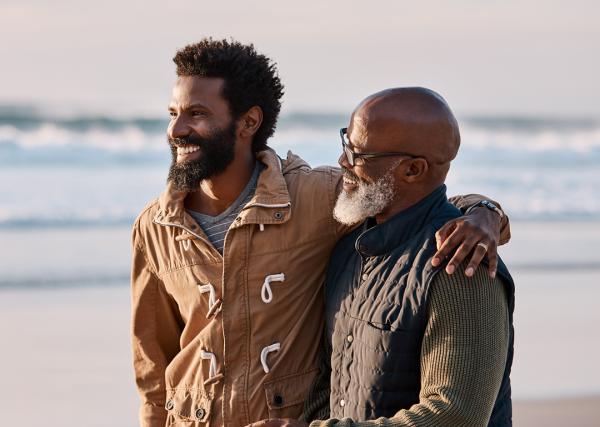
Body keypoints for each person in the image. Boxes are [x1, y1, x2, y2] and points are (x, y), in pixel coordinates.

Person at [131, 40, 511, 427]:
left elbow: (422, 200)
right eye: (174, 113)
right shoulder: (154, 226)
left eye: (196, 113)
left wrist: (485, 214)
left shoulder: (319, 201)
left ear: (248, 122)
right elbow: (153, 367)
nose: (176, 129)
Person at [250, 88, 514, 427]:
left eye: (358, 154)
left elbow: (455, 415)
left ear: (413, 170)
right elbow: (329, 385)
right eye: (346, 143)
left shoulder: (462, 262)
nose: (343, 161)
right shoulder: (350, 248)